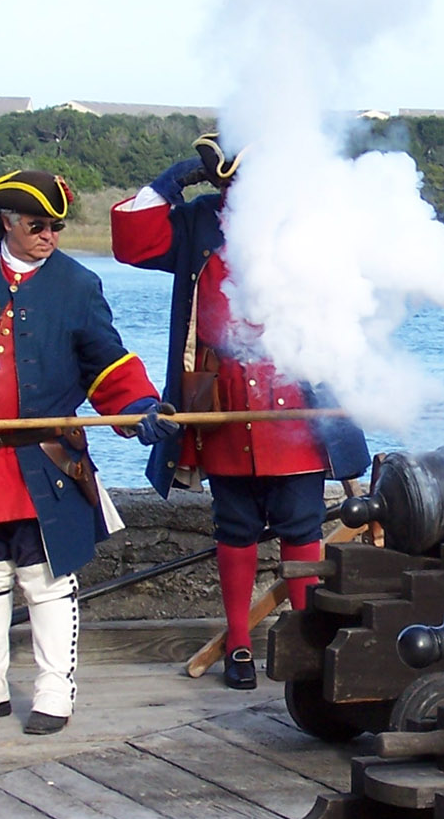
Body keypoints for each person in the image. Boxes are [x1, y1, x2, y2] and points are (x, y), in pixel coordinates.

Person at [0, 170, 170, 734]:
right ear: (6, 221)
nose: (48, 235)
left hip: (43, 460)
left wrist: (140, 404)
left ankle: (55, 691)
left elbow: (105, 360)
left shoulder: (78, 284)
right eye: (36, 225)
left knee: (46, 579)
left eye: (56, 225)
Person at [109, 135, 369, 690]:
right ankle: (241, 645)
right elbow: (133, 242)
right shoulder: (202, 220)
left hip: (292, 391)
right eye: (227, 183)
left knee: (302, 527)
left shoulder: (308, 225)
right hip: (220, 396)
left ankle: (303, 641)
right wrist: (167, 184)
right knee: (235, 528)